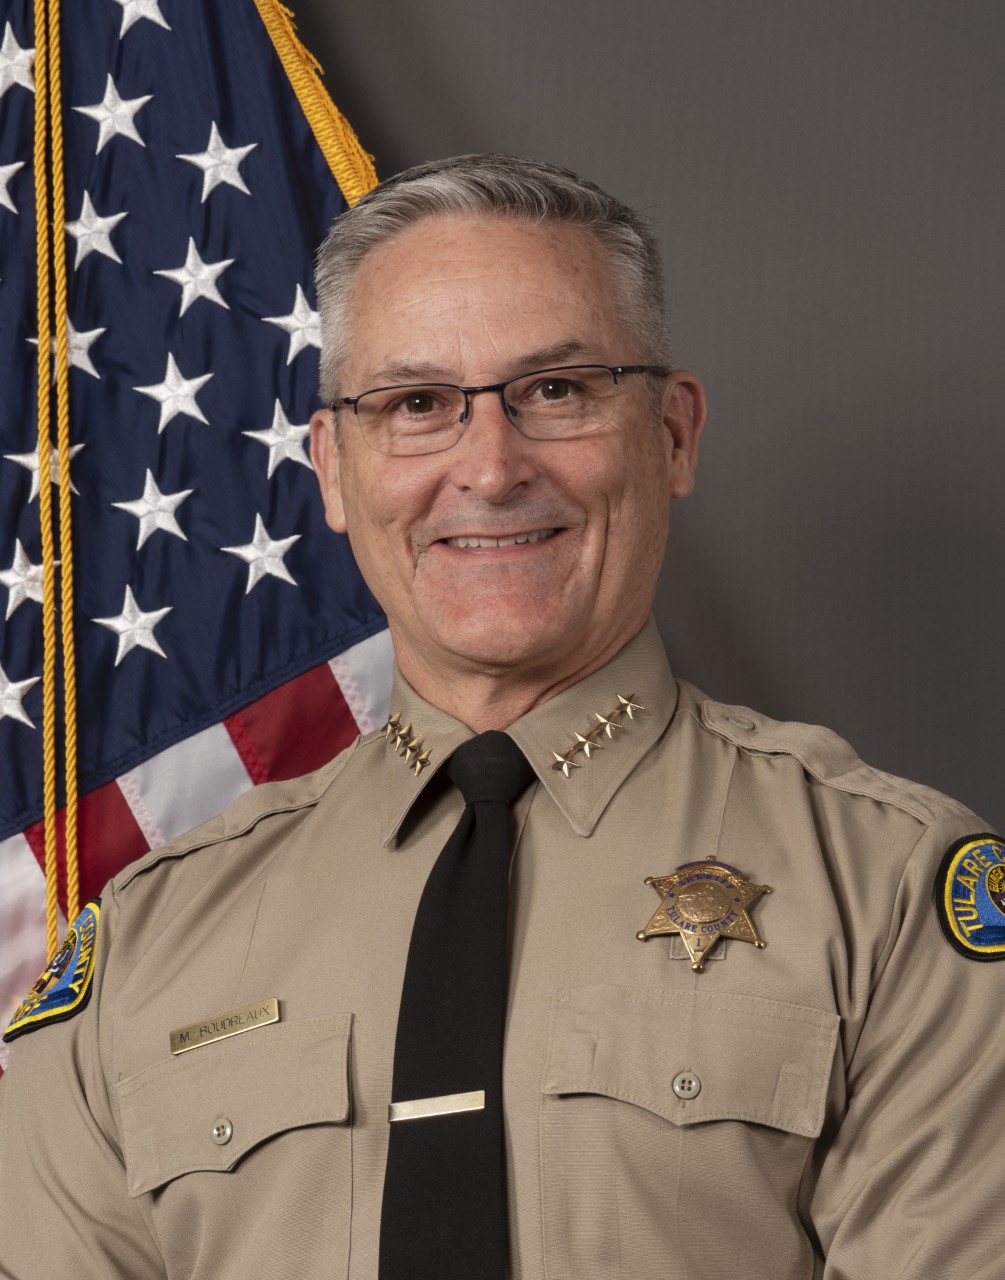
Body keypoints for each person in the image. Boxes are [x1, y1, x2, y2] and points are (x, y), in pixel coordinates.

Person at [1, 153, 1002, 1279]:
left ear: (672, 434)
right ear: (333, 467)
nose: (488, 467)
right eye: (416, 403)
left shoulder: (895, 892)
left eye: (557, 390)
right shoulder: (142, 948)